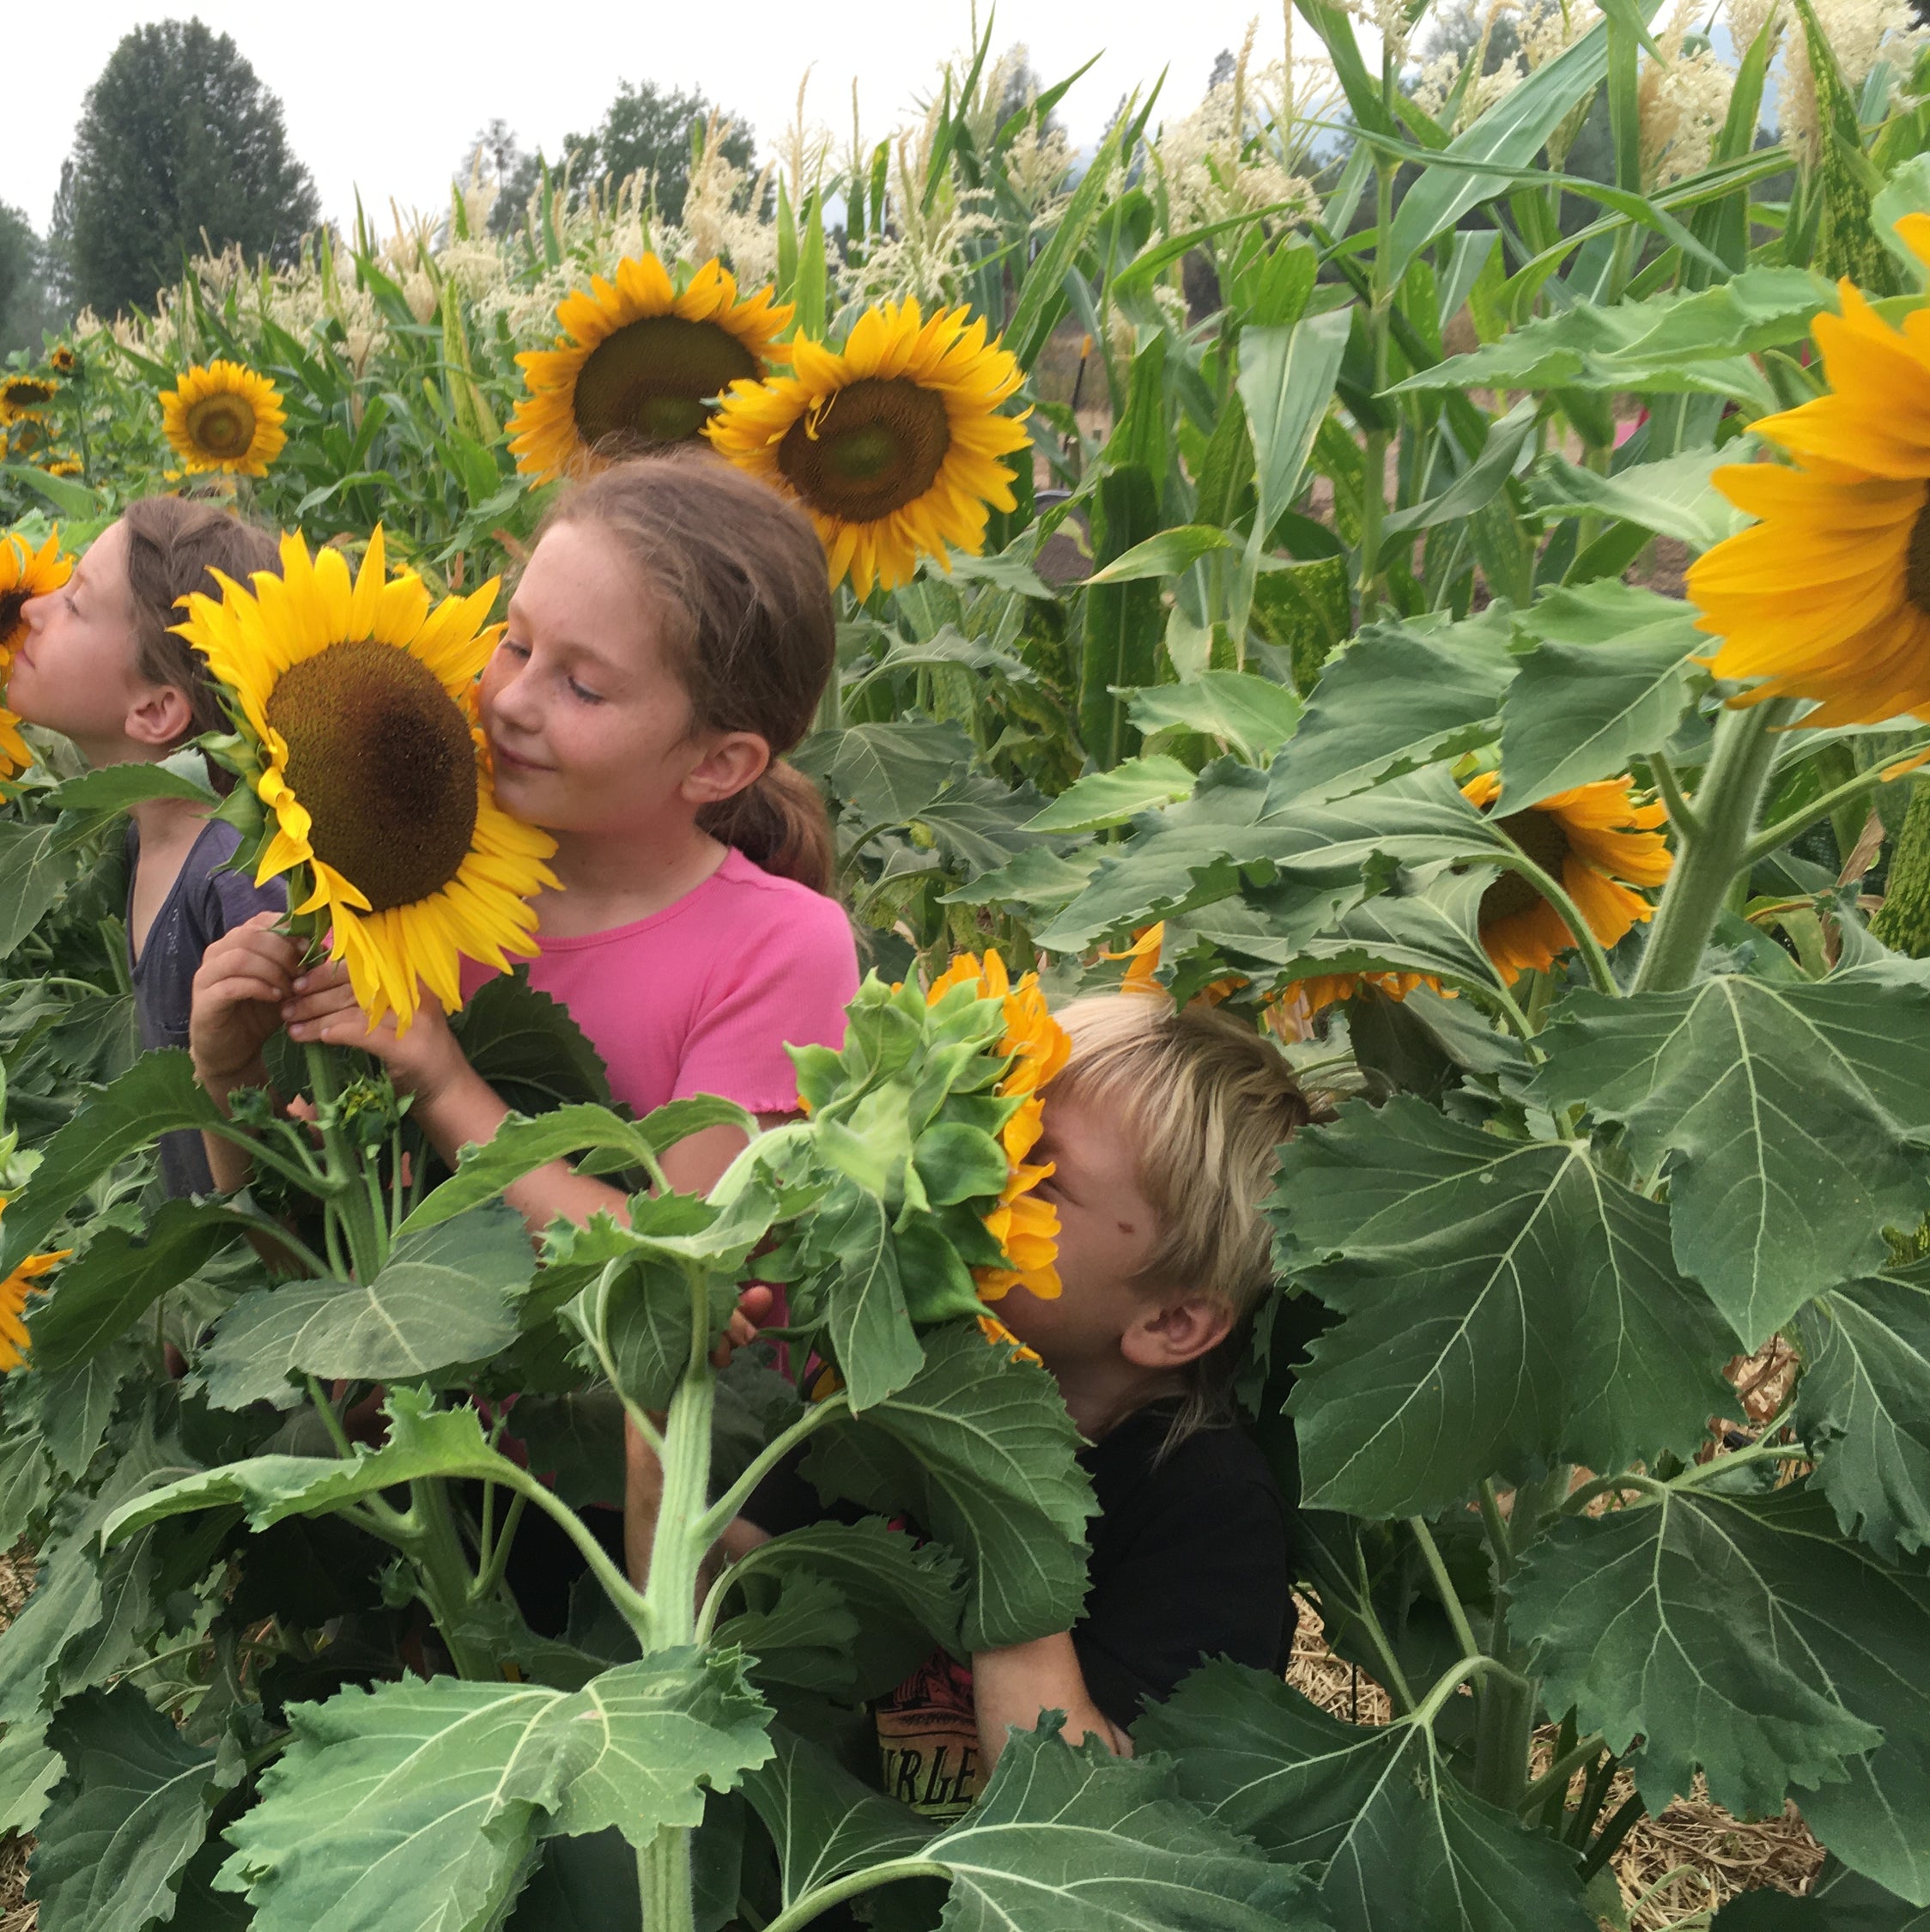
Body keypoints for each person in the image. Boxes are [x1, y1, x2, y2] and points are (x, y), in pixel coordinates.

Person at [185, 450, 858, 1220]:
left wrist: (444, 1090)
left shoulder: (779, 951)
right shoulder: (413, 871)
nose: (510, 703)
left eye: (583, 686)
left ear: (718, 764)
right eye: (516, 644)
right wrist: (233, 1080)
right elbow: (314, 1269)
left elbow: (686, 1287)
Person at [871, 989, 1322, 1816]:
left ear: (1172, 1321)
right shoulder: (891, 1377)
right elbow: (731, 1575)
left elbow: (1080, 1813)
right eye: (985, 1126)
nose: (974, 1172)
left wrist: (1004, 1511)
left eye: (1035, 1173)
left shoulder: (1205, 1506)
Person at [6, 496, 288, 1200]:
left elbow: (301, 1154)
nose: (34, 610)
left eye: (74, 603)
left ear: (156, 711)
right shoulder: (148, 831)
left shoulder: (237, 880)